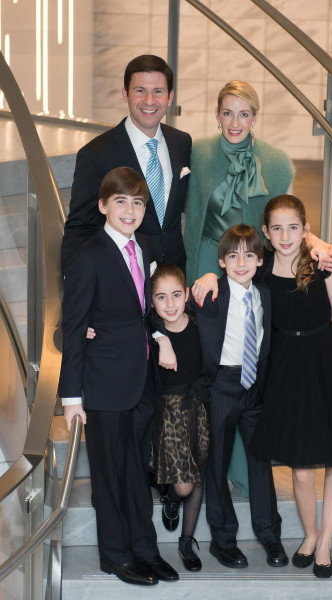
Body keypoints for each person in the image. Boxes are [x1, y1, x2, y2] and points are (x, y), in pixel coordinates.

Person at [184, 80, 332, 498]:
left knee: (246, 361)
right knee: (209, 366)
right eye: (228, 112)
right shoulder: (196, 153)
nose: (235, 122)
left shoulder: (275, 161)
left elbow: (285, 220)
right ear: (217, 114)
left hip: (251, 264)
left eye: (245, 113)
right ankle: (198, 466)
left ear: (256, 117)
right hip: (207, 263)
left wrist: (318, 242)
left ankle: (241, 468)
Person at [58, 167, 179, 586]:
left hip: (142, 380)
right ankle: (114, 554)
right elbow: (73, 329)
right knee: (109, 475)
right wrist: (71, 398)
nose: (130, 210)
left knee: (135, 472)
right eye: (122, 201)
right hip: (104, 386)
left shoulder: (145, 247)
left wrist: (161, 336)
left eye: (138, 202)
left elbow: (145, 309)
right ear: (104, 205)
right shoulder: (87, 256)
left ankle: (144, 548)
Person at [247, 195, 332, 578]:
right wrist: (205, 277)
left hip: (327, 361)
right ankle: (310, 531)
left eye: (294, 227)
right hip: (285, 367)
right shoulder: (261, 265)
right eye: (277, 228)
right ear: (266, 234)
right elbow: (228, 262)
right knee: (301, 470)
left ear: (306, 229)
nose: (286, 235)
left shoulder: (322, 264)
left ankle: (326, 540)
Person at [172, 224, 288, 569]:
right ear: (221, 261)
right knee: (217, 464)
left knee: (260, 463)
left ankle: (270, 536)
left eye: (249, 255)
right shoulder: (210, 294)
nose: (241, 262)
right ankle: (223, 541)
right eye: (233, 256)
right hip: (221, 385)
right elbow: (171, 312)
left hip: (255, 387)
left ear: (259, 261)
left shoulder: (264, 292)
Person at [61, 54, 192, 272]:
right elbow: (79, 227)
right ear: (125, 94)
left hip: (173, 283)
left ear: (170, 97)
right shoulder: (95, 154)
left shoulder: (182, 142)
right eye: (140, 91)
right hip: (120, 280)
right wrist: (77, 283)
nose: (149, 101)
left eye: (158, 91)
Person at [149, 264, 210, 572]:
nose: (170, 304)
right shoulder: (151, 329)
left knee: (197, 475)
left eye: (176, 295)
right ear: (152, 302)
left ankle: (186, 540)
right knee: (184, 485)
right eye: (161, 298)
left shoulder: (200, 323)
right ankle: (171, 497)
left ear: (187, 294)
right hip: (168, 413)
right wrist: (160, 337)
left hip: (198, 407)